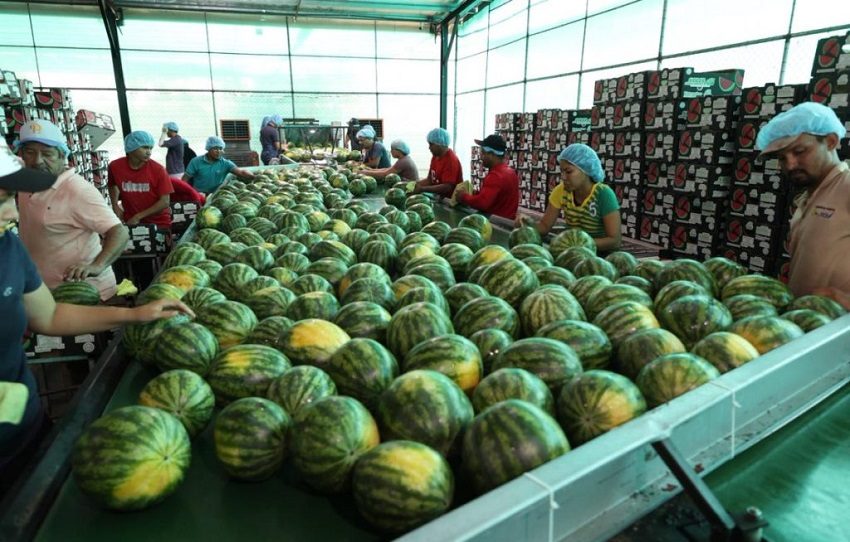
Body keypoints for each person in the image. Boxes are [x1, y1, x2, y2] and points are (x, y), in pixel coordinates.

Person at [0, 143, 194, 493]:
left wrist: (133, 315)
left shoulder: (8, 249)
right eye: (0, 200)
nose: (13, 214)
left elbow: (51, 314)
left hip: (25, 426)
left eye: (11, 198)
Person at [16, 120, 128, 301]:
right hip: (44, 291)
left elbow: (119, 232)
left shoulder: (77, 190)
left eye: (47, 154)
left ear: (62, 156)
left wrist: (96, 266)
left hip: (85, 294)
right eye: (30, 152)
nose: (37, 161)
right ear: (21, 154)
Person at [756, 101, 850, 307]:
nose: (790, 165)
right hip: (810, 326)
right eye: (782, 158)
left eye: (799, 152)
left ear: (831, 141)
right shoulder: (807, 198)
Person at [517, 143, 621, 252]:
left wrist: (581, 244)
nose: (563, 177)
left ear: (585, 169)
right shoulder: (561, 191)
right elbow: (544, 226)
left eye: (569, 171)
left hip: (600, 256)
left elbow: (614, 241)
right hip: (572, 252)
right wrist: (527, 224)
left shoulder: (603, 194)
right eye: (562, 172)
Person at [107, 131, 173, 229]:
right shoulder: (115, 167)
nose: (149, 152)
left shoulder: (158, 170)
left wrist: (138, 216)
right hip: (131, 222)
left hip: (158, 224)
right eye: (145, 147)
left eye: (151, 148)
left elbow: (165, 202)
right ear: (131, 147)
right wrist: (115, 205)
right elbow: (112, 185)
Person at [453, 134, 519, 220]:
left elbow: (483, 203)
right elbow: (496, 198)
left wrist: (463, 197)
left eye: (483, 153)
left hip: (496, 225)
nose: (481, 157)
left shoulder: (496, 176)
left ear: (491, 154)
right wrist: (475, 193)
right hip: (508, 222)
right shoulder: (510, 172)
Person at [183, 136, 255, 195]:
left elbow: (241, 172)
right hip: (199, 194)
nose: (218, 151)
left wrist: (254, 176)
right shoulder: (196, 161)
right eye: (215, 148)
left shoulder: (226, 163)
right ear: (208, 149)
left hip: (217, 195)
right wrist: (186, 193)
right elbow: (185, 178)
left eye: (220, 149)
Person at [413, 127, 463, 197]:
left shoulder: (451, 160)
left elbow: (447, 187)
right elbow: (430, 179)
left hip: (449, 202)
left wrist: (422, 189)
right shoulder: (435, 157)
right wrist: (412, 185)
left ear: (439, 144)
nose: (429, 148)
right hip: (438, 198)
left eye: (431, 144)